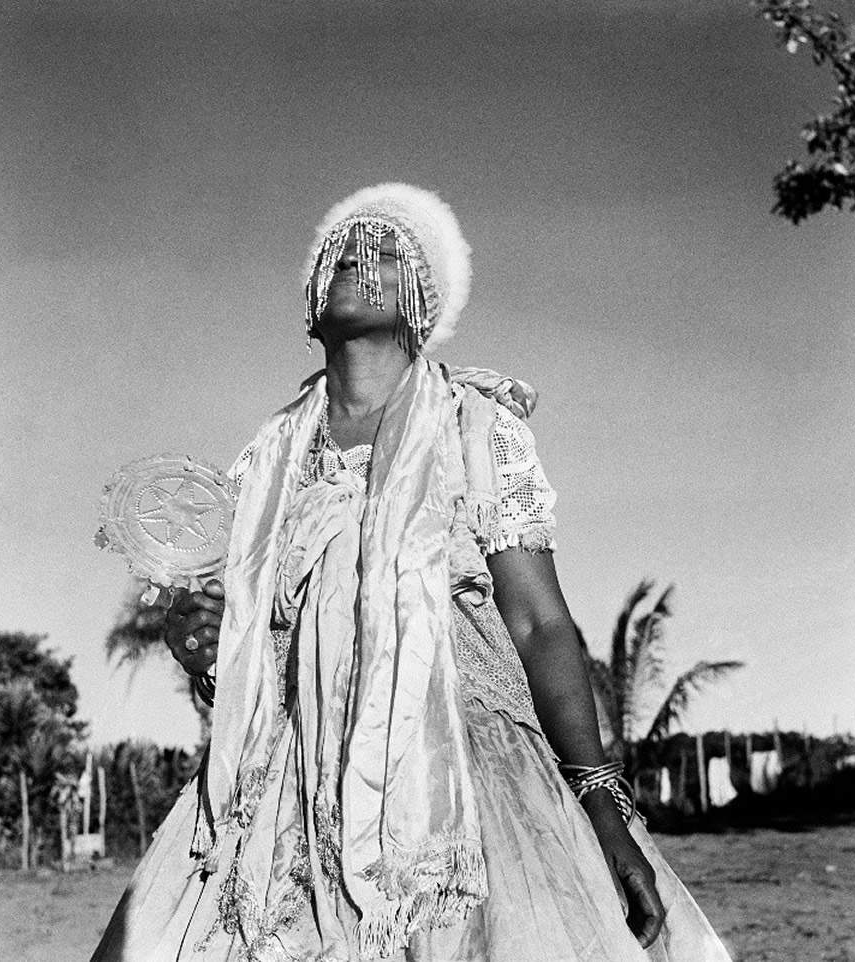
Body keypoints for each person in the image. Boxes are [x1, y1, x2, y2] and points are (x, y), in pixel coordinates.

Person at [92, 183, 731, 962]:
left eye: (388, 252)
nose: (361, 262)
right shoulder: (267, 462)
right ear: (310, 301)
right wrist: (206, 652)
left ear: (424, 298)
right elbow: (258, 662)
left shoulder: (473, 425)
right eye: (343, 252)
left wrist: (601, 803)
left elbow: (539, 622)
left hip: (464, 769)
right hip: (291, 786)